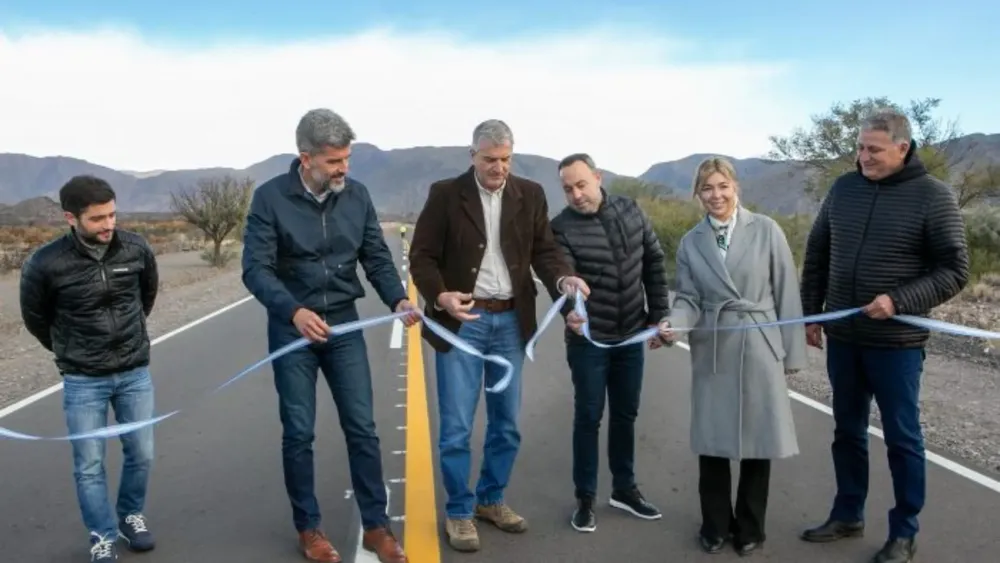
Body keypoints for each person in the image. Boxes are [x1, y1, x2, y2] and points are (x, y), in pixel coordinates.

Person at [241, 108, 419, 563]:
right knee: (299, 432)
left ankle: (377, 527)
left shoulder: (356, 196)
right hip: (293, 330)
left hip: (343, 324)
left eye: (347, 159)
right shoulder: (270, 199)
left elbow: (375, 256)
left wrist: (397, 299)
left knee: (362, 427)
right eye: (334, 161)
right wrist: (294, 311)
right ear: (306, 158)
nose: (344, 169)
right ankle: (309, 530)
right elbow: (255, 270)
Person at [408, 119, 589, 552]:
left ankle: (490, 499)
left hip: (511, 323)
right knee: (456, 427)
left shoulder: (531, 194)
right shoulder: (445, 195)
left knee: (506, 424)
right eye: (490, 159)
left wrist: (563, 281)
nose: (499, 167)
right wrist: (440, 296)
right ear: (472, 155)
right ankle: (459, 511)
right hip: (463, 325)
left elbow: (545, 252)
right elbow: (422, 257)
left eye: (506, 159)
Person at [798, 108, 969, 563]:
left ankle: (904, 531)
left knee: (902, 438)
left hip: (896, 346)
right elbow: (818, 253)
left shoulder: (933, 196)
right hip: (844, 339)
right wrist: (812, 314)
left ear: (902, 148)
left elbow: (955, 270)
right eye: (859, 148)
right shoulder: (843, 188)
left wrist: (899, 299)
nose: (863, 157)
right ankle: (847, 514)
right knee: (847, 431)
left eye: (873, 149)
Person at [657, 156, 806, 556]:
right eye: (707, 188)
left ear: (736, 187)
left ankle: (751, 527)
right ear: (697, 194)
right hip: (714, 346)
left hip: (760, 343)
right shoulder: (691, 242)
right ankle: (715, 525)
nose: (716, 195)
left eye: (723, 186)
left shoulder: (767, 230)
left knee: (759, 439)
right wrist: (673, 325)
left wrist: (791, 353)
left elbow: (787, 291)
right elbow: (688, 299)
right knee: (712, 440)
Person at [19, 175, 160, 562]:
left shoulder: (136, 248)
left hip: (134, 372)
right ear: (71, 217)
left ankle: (130, 516)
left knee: (142, 453)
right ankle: (102, 534)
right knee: (89, 464)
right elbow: (35, 318)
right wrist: (71, 350)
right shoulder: (45, 263)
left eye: (112, 215)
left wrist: (129, 340)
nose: (108, 224)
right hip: (83, 380)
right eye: (98, 218)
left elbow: (146, 296)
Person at [547, 153, 670, 533]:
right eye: (568, 189)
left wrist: (658, 315)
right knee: (588, 417)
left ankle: (624, 489)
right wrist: (571, 309)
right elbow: (563, 276)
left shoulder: (630, 210)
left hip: (631, 334)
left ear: (598, 177)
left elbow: (653, 261)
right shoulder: (560, 228)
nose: (576, 194)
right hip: (589, 341)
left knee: (626, 414)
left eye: (581, 184)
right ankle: (585, 498)